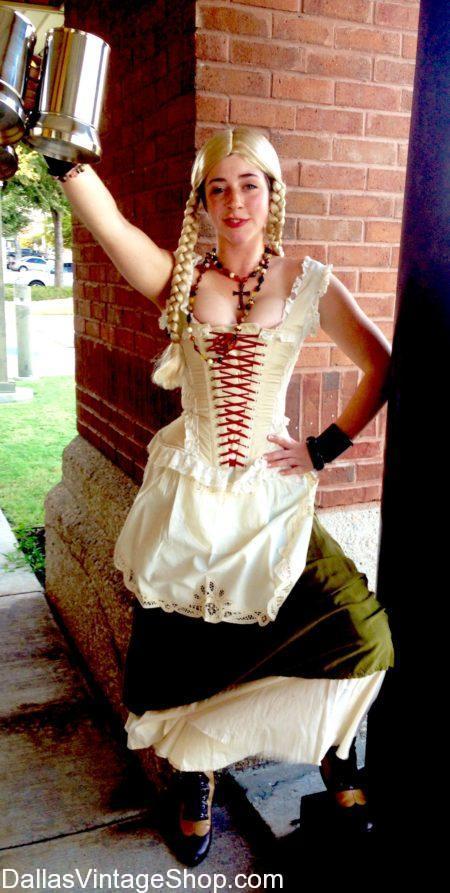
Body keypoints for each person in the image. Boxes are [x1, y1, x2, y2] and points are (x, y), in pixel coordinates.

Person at [35, 120, 394, 859]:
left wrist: (322, 448)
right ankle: (196, 771)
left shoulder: (308, 282)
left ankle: (333, 750)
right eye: (217, 189)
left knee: (355, 629)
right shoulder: (182, 280)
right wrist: (65, 163)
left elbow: (381, 364)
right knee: (178, 651)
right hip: (190, 492)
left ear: (273, 194)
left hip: (269, 493)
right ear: (201, 202)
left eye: (249, 185)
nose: (234, 202)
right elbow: (111, 226)